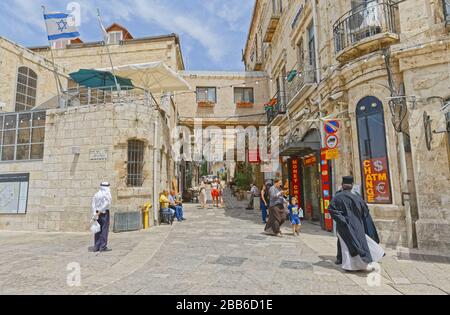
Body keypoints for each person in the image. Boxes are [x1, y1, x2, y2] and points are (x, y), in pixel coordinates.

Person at [328, 176, 384, 271]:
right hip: (357, 224)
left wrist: (343, 220)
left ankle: (349, 265)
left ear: (342, 185)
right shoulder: (357, 197)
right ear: (352, 186)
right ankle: (359, 264)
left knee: (346, 245)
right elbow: (365, 211)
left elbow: (331, 209)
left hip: (344, 225)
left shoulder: (338, 197)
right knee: (359, 242)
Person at [92, 182, 112, 252]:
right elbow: (107, 204)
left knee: (97, 229)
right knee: (104, 229)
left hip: (97, 213)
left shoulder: (96, 194)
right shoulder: (107, 195)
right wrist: (100, 210)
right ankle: (102, 246)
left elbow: (93, 204)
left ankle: (96, 246)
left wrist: (95, 213)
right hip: (104, 213)